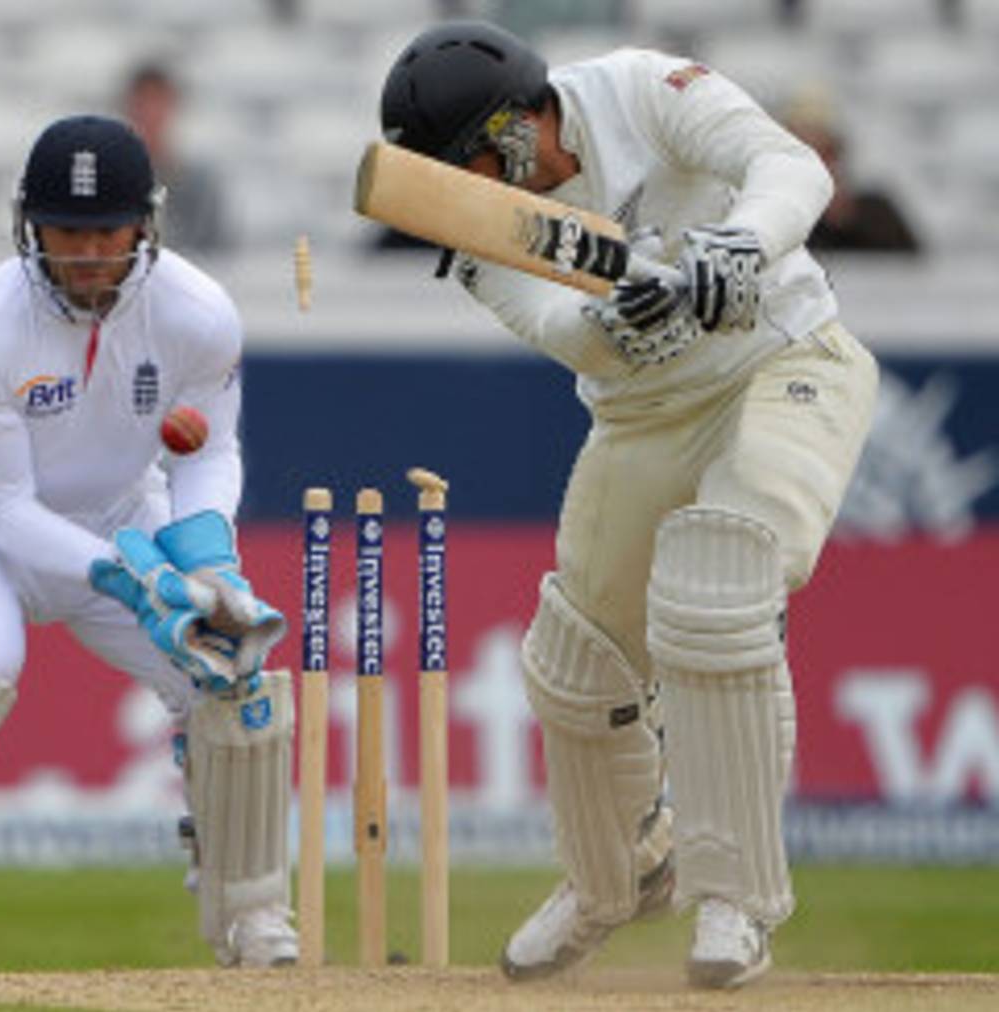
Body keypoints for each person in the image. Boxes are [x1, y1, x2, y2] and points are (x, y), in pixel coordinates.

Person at [378, 22, 877, 990]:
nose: (466, 185)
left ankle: (734, 898)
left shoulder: (639, 90)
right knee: (571, 663)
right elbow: (558, 326)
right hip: (642, 417)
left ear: (515, 125)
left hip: (784, 359)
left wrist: (737, 244)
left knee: (719, 580)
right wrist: (618, 315)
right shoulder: (474, 226)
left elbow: (790, 168)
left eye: (472, 160)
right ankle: (615, 875)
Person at [0, 115, 296, 973]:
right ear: (28, 226)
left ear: (147, 222)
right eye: (66, 232)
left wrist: (210, 563)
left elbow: (208, 453)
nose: (87, 254)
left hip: (117, 512)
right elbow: (3, 508)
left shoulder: (198, 313)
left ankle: (251, 915)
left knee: (228, 667)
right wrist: (131, 575)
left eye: (108, 231)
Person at [780, 86, 921, 253]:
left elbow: (913, 267)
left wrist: (845, 221)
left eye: (823, 152)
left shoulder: (877, 210)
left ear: (837, 154)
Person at [123, 62, 230, 256]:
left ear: (173, 106)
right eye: (142, 102)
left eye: (158, 101)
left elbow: (216, 248)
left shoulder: (201, 182)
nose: (150, 113)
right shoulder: (114, 179)